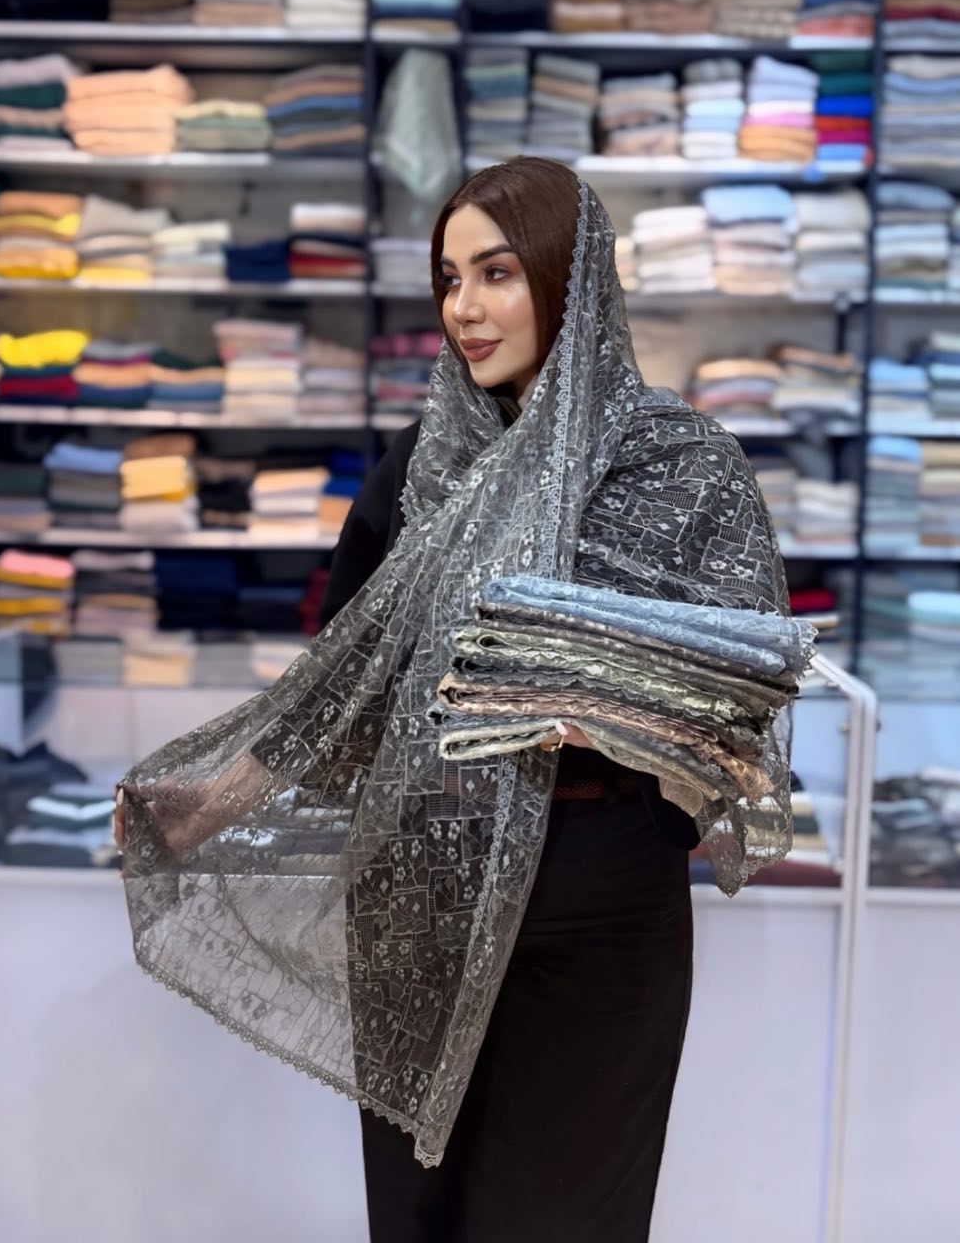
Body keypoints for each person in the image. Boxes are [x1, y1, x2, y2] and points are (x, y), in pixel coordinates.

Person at [114, 157, 793, 1243]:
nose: (464, 307)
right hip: (420, 886)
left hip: (598, 899)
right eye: (448, 277)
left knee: (566, 1216)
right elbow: (339, 690)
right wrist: (208, 806)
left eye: (497, 272)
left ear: (573, 278)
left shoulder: (684, 467)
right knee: (418, 1212)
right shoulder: (420, 469)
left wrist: (603, 710)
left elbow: (743, 690)